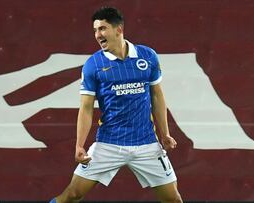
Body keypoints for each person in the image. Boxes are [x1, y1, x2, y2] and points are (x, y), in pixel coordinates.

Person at [50, 6, 182, 203]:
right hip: (108, 143)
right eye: (95, 30)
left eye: (102, 29)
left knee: (173, 199)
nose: (97, 35)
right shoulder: (93, 65)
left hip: (146, 143)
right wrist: (79, 144)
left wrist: (165, 134)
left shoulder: (147, 56)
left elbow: (157, 96)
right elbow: (86, 108)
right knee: (72, 195)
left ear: (118, 29)